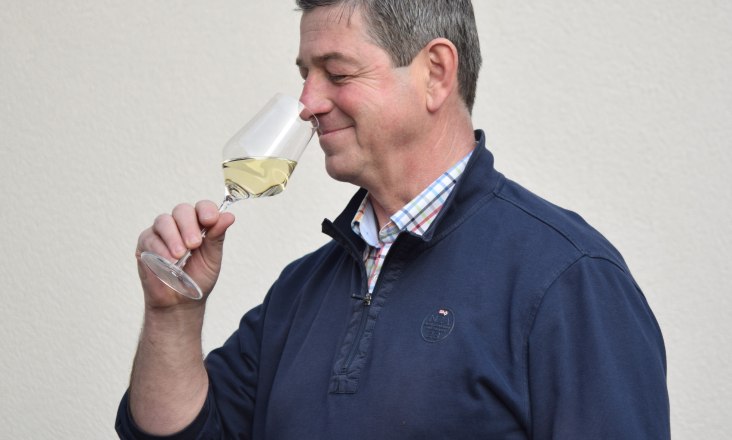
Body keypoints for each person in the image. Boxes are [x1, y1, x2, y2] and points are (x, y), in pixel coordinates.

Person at [116, 1, 670, 438]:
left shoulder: (569, 279)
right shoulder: (300, 291)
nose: (308, 102)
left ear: (436, 72)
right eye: (305, 74)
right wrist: (172, 316)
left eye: (336, 73)